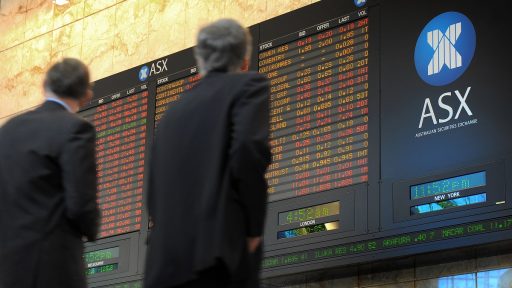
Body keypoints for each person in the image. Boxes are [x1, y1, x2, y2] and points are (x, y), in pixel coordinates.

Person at [144, 19, 271, 288]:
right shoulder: (249, 86)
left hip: (162, 268)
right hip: (217, 261)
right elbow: (248, 151)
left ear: (200, 61)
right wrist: (252, 231)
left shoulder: (170, 114)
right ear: (244, 62)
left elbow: (153, 194)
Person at [0, 58, 100, 288]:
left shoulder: (8, 131)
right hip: (53, 269)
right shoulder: (75, 129)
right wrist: (92, 229)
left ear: (44, 85)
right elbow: (80, 205)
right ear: (86, 95)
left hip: (8, 272)